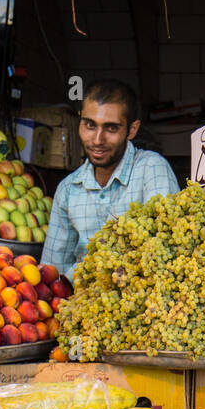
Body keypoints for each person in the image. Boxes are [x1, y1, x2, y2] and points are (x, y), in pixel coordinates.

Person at [41, 79, 179, 281]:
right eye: (89, 125)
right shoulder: (68, 189)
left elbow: (162, 251)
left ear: (132, 130)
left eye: (111, 128)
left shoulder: (151, 169)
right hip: (82, 306)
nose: (97, 139)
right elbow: (52, 273)